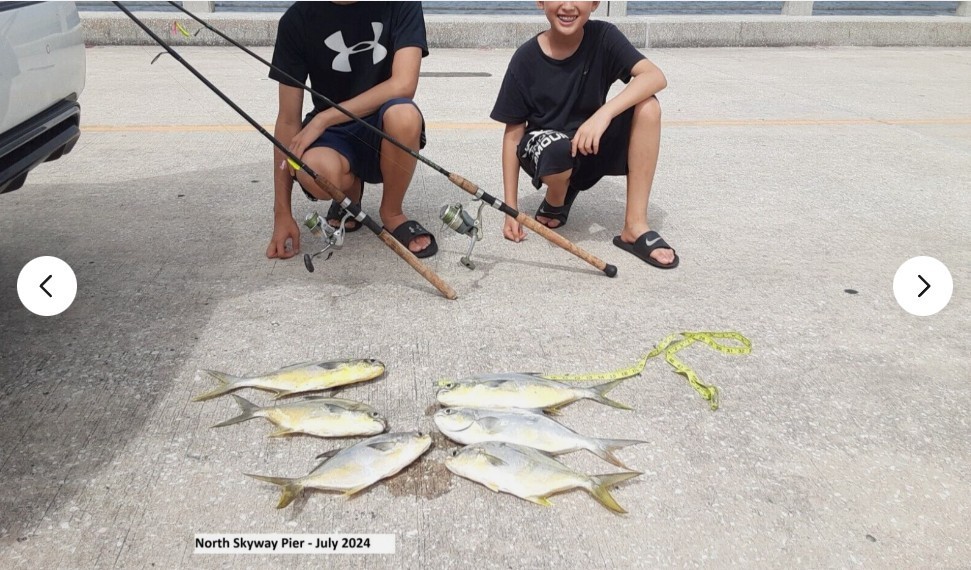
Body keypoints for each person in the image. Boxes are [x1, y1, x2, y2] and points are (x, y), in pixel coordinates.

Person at [491, 1, 678, 269]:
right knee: (557, 151)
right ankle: (557, 194)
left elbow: (654, 76)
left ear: (594, 3)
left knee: (648, 107)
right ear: (540, 1)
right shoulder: (525, 58)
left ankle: (634, 226)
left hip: (587, 144)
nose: (568, 6)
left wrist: (604, 114)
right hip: (546, 151)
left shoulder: (604, 37)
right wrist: (511, 209)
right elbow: (512, 134)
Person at [265, 1, 437, 260]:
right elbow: (288, 120)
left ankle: (392, 212)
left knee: (405, 115)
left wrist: (323, 120)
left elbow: (404, 84)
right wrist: (282, 214)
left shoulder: (402, 3)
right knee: (314, 171)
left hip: (381, 123)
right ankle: (349, 193)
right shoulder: (297, 19)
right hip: (334, 137)